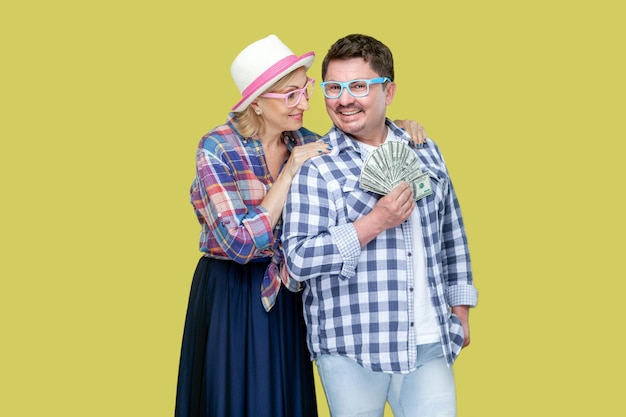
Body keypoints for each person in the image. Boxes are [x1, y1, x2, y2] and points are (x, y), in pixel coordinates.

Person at [175, 34, 427, 417]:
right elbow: (239, 244)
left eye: (306, 89)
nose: (305, 103)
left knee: (283, 401)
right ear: (256, 103)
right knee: (233, 400)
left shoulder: (310, 141)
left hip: (288, 291)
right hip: (231, 294)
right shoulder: (217, 148)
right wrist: (290, 171)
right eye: (290, 95)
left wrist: (400, 127)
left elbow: (364, 139)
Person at [282, 33, 479, 417]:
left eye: (359, 86)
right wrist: (373, 223)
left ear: (388, 92)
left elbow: (452, 233)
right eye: (333, 87)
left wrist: (461, 312)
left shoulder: (425, 149)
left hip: (429, 339)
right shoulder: (316, 168)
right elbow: (298, 258)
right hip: (351, 346)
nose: (343, 99)